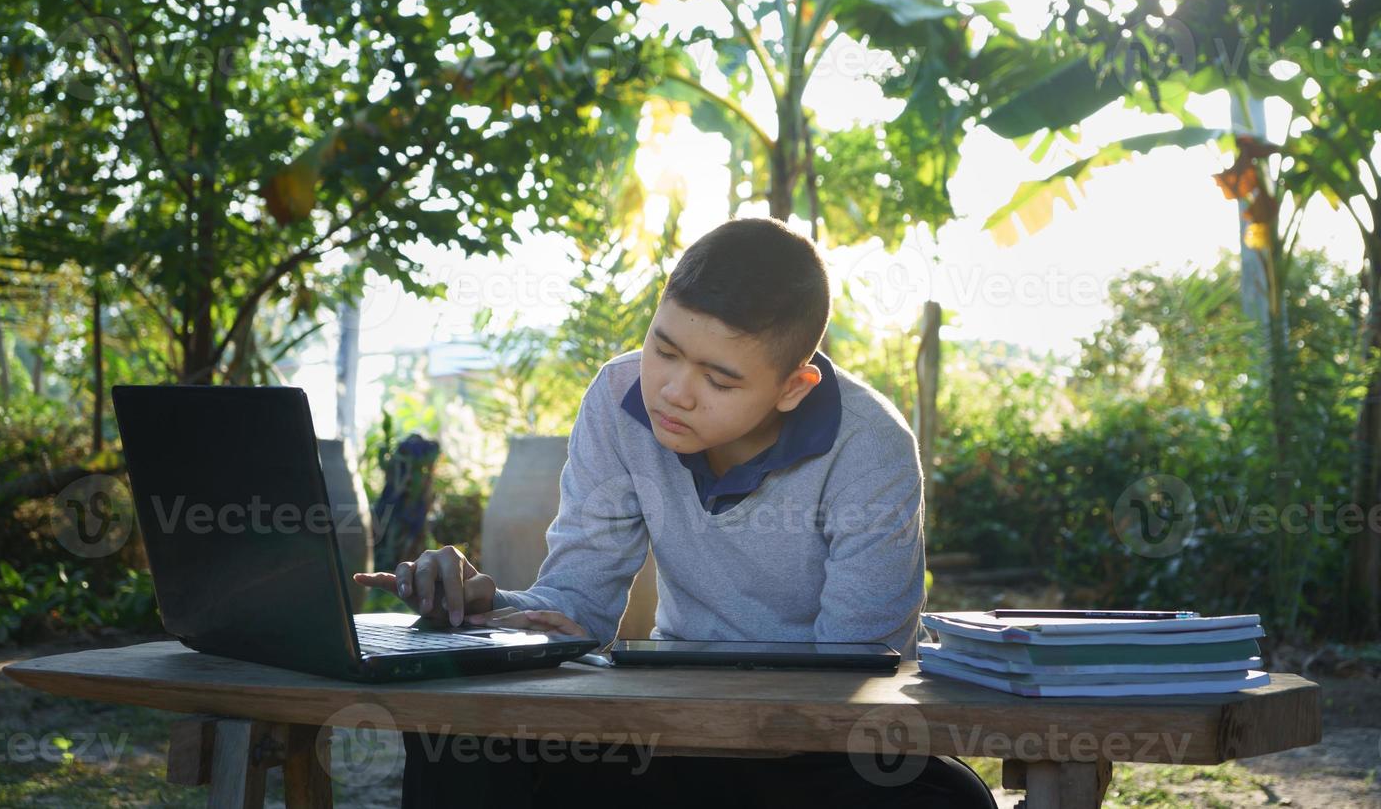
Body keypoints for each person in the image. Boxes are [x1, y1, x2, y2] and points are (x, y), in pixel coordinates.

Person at [354, 216, 997, 809]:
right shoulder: (617, 397)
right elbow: (578, 602)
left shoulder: (869, 447)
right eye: (663, 349)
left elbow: (858, 669)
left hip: (815, 749)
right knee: (462, 736)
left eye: (719, 381)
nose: (672, 392)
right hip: (664, 728)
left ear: (793, 388)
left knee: (941, 802)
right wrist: (483, 609)